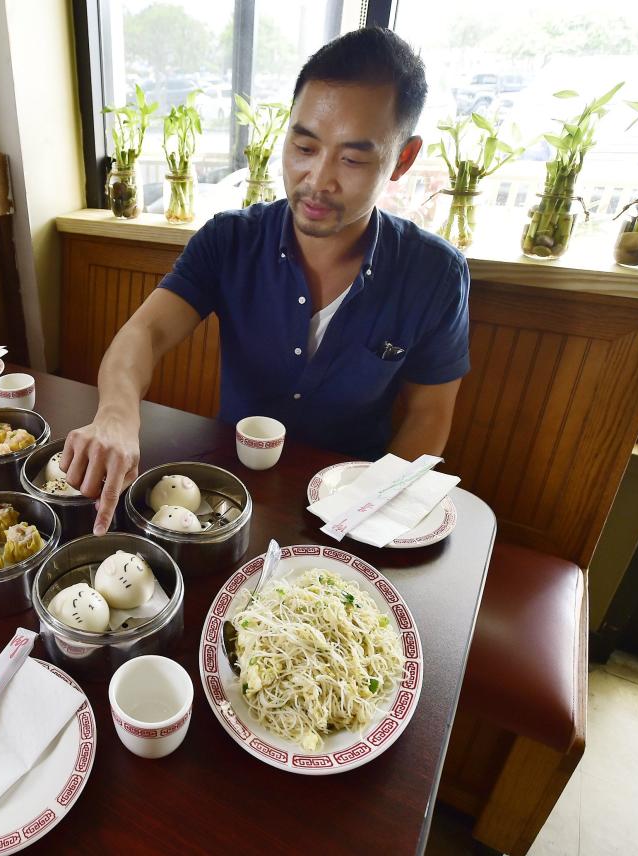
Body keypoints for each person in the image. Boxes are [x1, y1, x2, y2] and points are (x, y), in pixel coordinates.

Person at [62, 27, 471, 535]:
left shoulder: (434, 273)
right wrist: (117, 415)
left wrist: (369, 510)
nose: (317, 179)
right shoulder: (231, 239)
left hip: (351, 498)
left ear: (402, 160)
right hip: (225, 495)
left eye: (352, 159)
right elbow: (145, 333)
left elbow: (429, 415)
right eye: (304, 145)